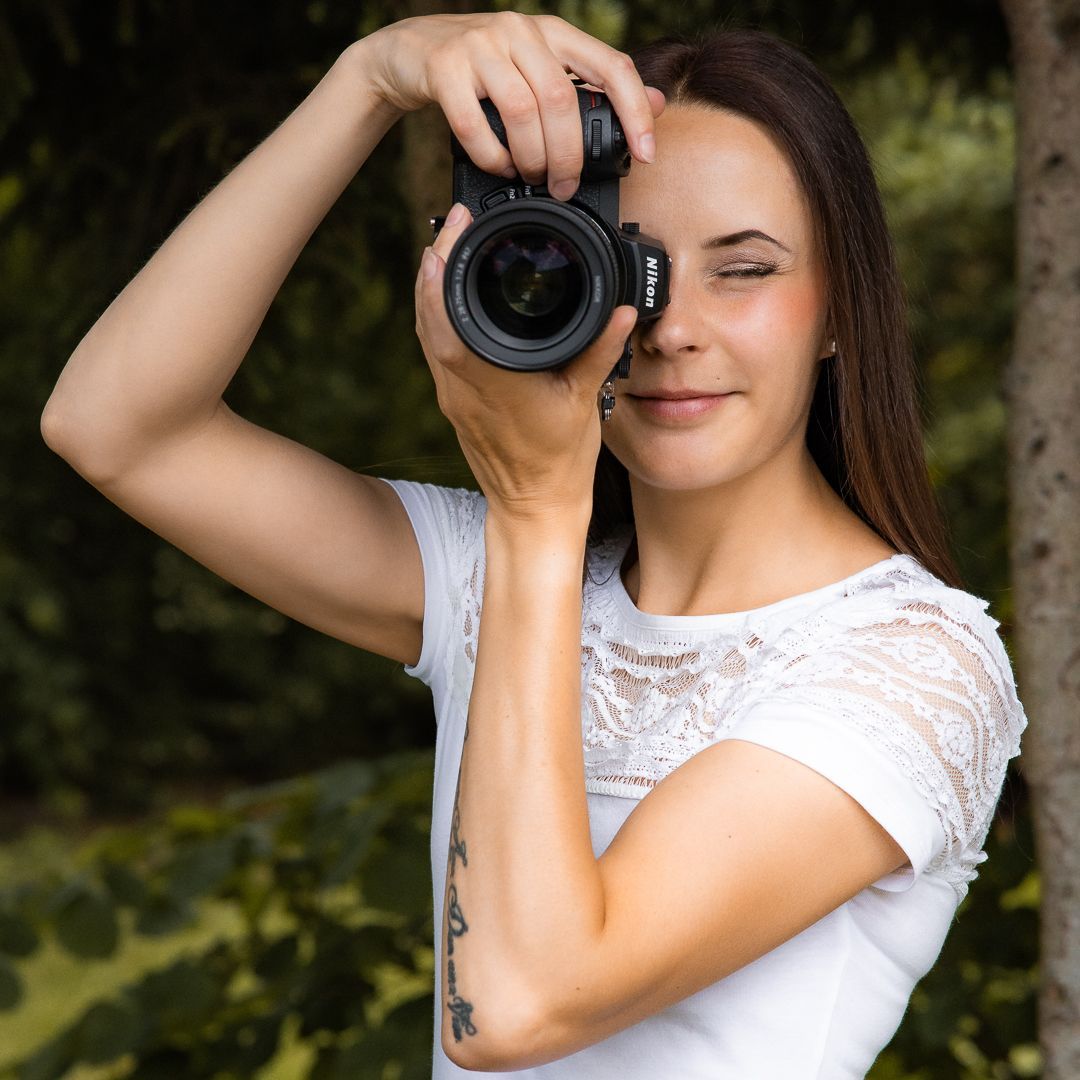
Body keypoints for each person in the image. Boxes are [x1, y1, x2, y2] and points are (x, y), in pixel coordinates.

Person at [39, 11, 1028, 1078]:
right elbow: (118, 426)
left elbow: (515, 1008)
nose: (671, 327)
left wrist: (536, 513)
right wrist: (368, 79)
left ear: (837, 311)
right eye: (630, 266)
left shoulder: (918, 664)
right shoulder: (509, 564)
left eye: (743, 270)